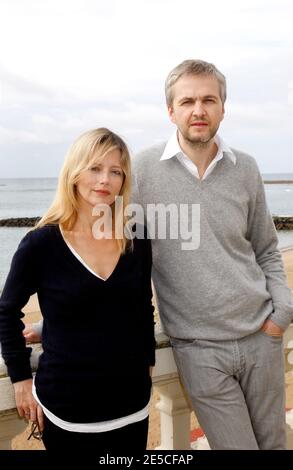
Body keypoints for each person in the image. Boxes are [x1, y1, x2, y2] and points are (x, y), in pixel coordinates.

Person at [131, 60, 293, 449]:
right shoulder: (143, 170)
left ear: (223, 107)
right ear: (171, 111)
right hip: (199, 349)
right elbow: (118, 262)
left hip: (261, 339)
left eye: (209, 99)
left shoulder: (246, 168)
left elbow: (267, 248)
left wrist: (282, 313)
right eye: (187, 101)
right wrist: (54, 323)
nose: (198, 110)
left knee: (274, 444)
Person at [0, 128, 156, 453]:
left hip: (132, 406)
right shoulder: (41, 244)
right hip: (68, 411)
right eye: (95, 168)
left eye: (116, 171)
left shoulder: (135, 238)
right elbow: (6, 311)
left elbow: (142, 307)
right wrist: (20, 379)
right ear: (74, 172)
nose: (105, 180)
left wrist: (148, 362)